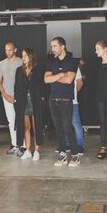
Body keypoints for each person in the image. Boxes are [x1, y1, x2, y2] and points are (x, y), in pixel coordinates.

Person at [45, 37, 81, 167]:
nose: (52, 49)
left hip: (66, 101)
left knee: (67, 128)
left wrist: (54, 77)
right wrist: (60, 75)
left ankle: (75, 155)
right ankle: (62, 154)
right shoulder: (51, 61)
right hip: (53, 100)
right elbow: (46, 79)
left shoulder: (72, 61)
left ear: (62, 46)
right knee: (58, 128)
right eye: (51, 46)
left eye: (55, 46)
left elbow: (69, 80)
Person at [14, 48, 45, 161]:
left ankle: (36, 150)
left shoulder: (38, 69)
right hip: (23, 101)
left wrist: (42, 97)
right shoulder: (19, 70)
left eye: (25, 56)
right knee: (26, 126)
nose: (23, 58)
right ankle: (27, 150)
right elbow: (16, 86)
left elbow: (43, 85)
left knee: (36, 126)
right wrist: (16, 98)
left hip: (35, 100)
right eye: (22, 56)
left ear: (31, 57)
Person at [0, 41, 23, 155]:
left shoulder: (21, 62)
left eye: (10, 50)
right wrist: (6, 95)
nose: (8, 52)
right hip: (6, 97)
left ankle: (23, 145)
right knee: (11, 121)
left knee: (21, 120)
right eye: (6, 50)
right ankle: (15, 144)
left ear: (15, 50)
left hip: (20, 96)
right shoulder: (1, 63)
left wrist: (17, 96)